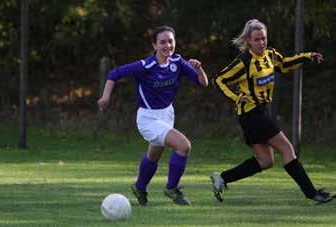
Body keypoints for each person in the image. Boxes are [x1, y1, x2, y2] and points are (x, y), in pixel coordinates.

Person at [210, 19, 334, 204]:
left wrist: (307, 56)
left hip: (260, 113)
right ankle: (312, 193)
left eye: (264, 38)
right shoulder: (244, 62)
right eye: (257, 39)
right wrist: (236, 97)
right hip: (251, 115)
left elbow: (284, 65)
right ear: (249, 41)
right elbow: (219, 80)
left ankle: (222, 178)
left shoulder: (270, 55)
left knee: (265, 161)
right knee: (286, 148)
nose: (261, 42)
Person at [98, 25, 208, 206]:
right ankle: (172, 188)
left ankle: (139, 187)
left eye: (170, 41)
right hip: (148, 119)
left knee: (153, 156)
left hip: (167, 115)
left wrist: (199, 68)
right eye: (162, 42)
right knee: (184, 146)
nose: (167, 46)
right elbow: (114, 74)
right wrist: (105, 97)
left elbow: (203, 83)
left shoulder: (178, 62)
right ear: (154, 45)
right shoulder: (145, 66)